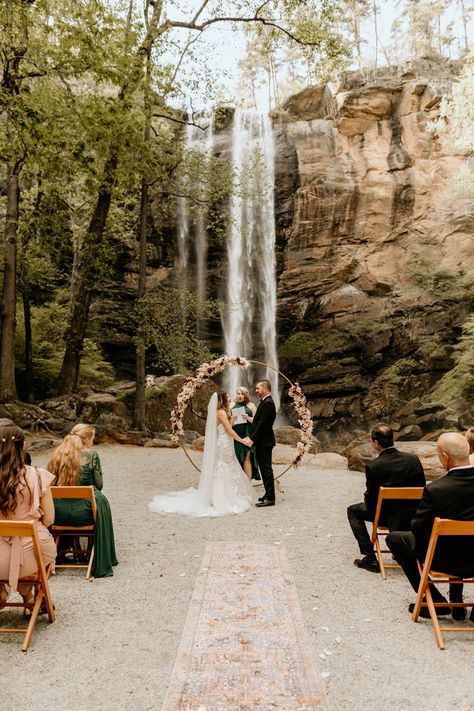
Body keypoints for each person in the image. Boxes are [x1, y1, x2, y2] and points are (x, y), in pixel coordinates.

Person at [387, 432, 474, 620]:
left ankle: (433, 600)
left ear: (445, 457)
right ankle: (461, 606)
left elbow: (419, 531)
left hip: (443, 559)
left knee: (394, 539)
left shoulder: (436, 490)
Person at [149, 392, 253, 517]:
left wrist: (232, 419)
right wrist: (241, 440)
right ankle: (223, 496)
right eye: (228, 398)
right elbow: (229, 430)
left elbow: (226, 426)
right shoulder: (221, 412)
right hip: (224, 442)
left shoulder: (218, 412)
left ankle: (223, 494)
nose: (230, 399)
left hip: (224, 442)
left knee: (225, 466)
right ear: (223, 400)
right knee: (225, 466)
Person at [347, 423, 426, 572]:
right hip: (414, 515)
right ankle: (402, 549)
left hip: (387, 517)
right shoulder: (413, 459)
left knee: (352, 511)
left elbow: (370, 502)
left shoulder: (374, 466)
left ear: (376, 443)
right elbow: (422, 488)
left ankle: (370, 558)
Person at [48, 423, 118, 578]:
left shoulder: (57, 454)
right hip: (84, 514)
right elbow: (99, 485)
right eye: (92, 437)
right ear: (87, 439)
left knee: (71, 503)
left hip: (57, 515)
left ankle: (72, 548)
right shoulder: (91, 455)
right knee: (98, 502)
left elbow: (49, 482)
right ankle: (92, 553)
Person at [0, 423, 56, 610]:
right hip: (31, 554)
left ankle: (8, 592)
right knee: (42, 550)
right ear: (22, 446)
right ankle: (29, 596)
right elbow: (49, 520)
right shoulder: (37, 476)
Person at [243, 380, 277, 508]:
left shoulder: (268, 404)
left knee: (266, 469)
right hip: (263, 441)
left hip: (265, 442)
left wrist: (252, 440)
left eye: (258, 388)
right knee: (264, 469)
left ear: (265, 388)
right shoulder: (265, 402)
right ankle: (268, 494)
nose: (256, 391)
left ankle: (271, 498)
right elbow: (258, 422)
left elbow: (262, 426)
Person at [231, 387, 257, 480]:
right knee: (235, 458)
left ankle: (248, 484)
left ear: (245, 395)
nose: (239, 395)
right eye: (238, 393)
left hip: (247, 434)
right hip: (235, 434)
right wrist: (233, 420)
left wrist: (248, 418)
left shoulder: (251, 406)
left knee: (247, 458)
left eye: (241, 394)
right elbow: (227, 422)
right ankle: (236, 482)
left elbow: (257, 421)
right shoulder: (231, 405)